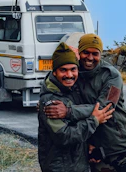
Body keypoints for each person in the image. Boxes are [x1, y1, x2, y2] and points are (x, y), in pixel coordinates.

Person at [44, 34, 126, 172]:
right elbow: (55, 84)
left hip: (124, 147)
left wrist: (68, 111)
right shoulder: (73, 72)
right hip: (96, 150)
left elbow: (105, 108)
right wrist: (45, 102)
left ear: (100, 54)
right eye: (86, 52)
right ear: (79, 52)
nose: (90, 58)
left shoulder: (112, 76)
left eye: (95, 54)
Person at [38, 42, 115, 172]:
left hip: (78, 164)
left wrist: (89, 146)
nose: (69, 75)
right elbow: (65, 136)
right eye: (63, 70)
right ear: (55, 72)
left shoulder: (72, 90)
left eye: (73, 69)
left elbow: (78, 121)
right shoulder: (50, 101)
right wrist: (94, 120)